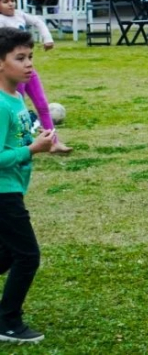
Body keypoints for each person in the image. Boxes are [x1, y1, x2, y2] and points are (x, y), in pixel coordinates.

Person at [0, 27, 71, 344]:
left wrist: (40, 141)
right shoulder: (1, 105)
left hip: (12, 187)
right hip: (3, 192)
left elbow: (17, 138)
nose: (29, 64)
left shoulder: (16, 98)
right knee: (27, 256)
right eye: (20, 58)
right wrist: (31, 150)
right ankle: (7, 322)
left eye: (30, 57)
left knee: (6, 254)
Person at [0, 0, 68, 154]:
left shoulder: (20, 15)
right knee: (17, 109)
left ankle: (53, 142)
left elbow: (38, 21)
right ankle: (21, 144)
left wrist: (47, 38)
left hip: (26, 71)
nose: (10, 4)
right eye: (5, 1)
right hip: (12, 72)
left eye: (12, 0)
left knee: (42, 105)